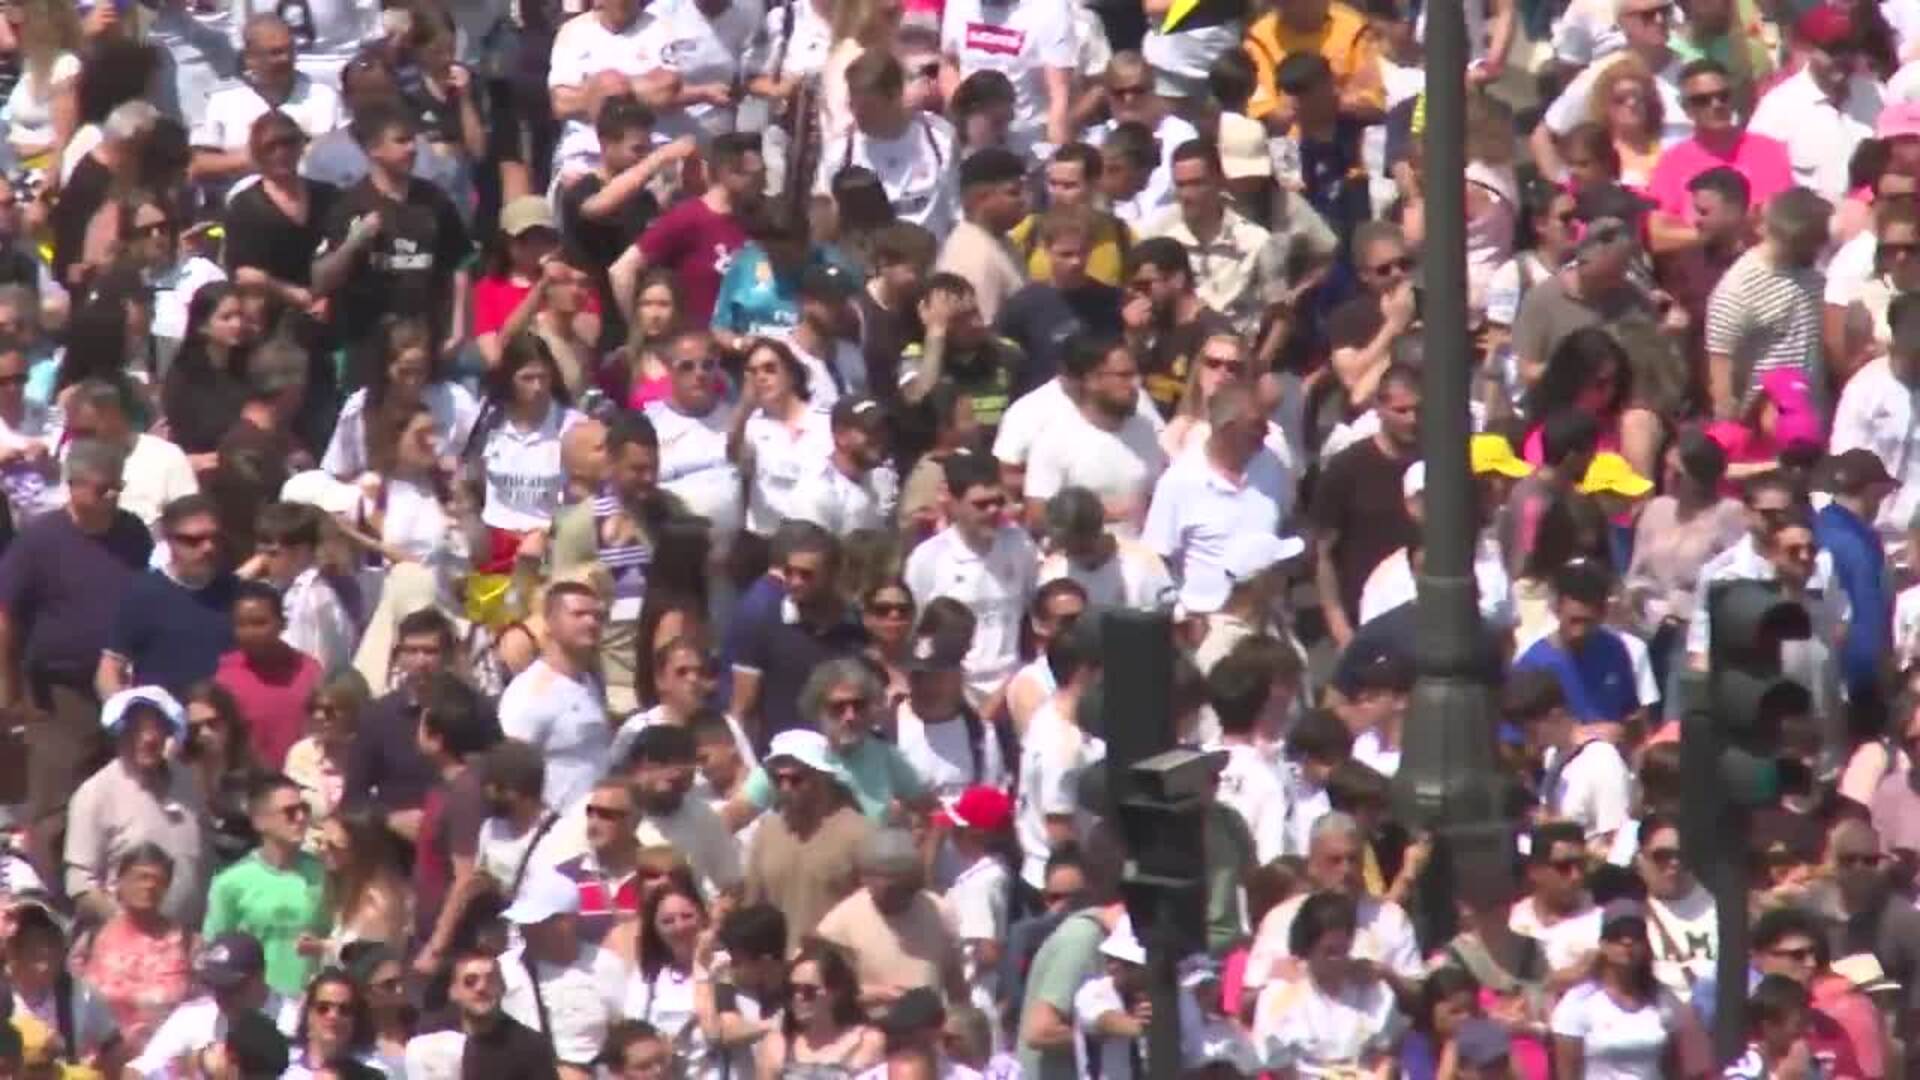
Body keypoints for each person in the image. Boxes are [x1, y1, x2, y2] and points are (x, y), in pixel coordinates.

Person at [311, 101, 473, 358]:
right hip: (365, 342)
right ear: (374, 149)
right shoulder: (349, 205)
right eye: (401, 141)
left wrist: (458, 330)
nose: (412, 148)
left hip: (425, 341)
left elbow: (458, 266)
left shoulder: (435, 200)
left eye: (412, 140)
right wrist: (353, 244)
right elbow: (320, 281)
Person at [65, 686, 211, 926]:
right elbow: (81, 883)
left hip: (188, 937)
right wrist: (130, 930)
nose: (148, 738)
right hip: (121, 941)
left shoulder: (188, 782)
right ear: (119, 731)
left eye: (157, 727)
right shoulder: (95, 794)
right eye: (137, 728)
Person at [904, 452, 1038, 703]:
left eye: (998, 502)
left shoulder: (1020, 545)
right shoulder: (928, 558)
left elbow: (1033, 615)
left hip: (1011, 686)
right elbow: (915, 633)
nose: (993, 511)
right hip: (955, 690)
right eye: (981, 504)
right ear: (953, 503)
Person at [1705, 187, 1831, 421]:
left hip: (1814, 416)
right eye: (1812, 240)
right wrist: (1728, 419)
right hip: (1763, 420)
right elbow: (1721, 364)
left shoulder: (1813, 275)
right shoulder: (1739, 288)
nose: (1819, 247)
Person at [742, 729, 874, 948]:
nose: (785, 788)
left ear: (824, 777)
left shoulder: (861, 834)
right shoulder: (766, 831)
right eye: (777, 779)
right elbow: (752, 907)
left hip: (838, 964)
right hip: (779, 965)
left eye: (796, 779)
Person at [1252, 891, 1407, 1075]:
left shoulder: (1374, 992)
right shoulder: (1279, 997)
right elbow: (1280, 1069)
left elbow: (1386, 1059)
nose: (1339, 960)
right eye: (1329, 952)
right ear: (1307, 948)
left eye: (1344, 950)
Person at [203, 773, 328, 997]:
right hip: (255, 1004)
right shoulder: (230, 882)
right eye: (290, 812)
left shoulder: (324, 875)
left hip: (311, 1004)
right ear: (259, 821)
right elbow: (215, 951)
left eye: (304, 809)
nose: (301, 818)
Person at [498, 868, 627, 1076]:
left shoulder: (605, 966)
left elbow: (625, 1034)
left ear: (568, 922)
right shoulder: (504, 970)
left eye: (536, 923)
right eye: (523, 924)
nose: (525, 931)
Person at [72, 844, 197, 1055]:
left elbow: (200, 1011)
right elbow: (72, 1003)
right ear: (120, 882)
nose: (149, 886)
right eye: (141, 877)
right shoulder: (92, 940)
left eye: (158, 880)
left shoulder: (187, 943)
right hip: (102, 1062)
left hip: (165, 1062)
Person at [498, 582, 610, 813]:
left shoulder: (589, 682)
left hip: (592, 822)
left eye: (597, 616)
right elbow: (509, 774)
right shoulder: (530, 693)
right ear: (549, 623)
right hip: (554, 826)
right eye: (579, 614)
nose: (591, 622)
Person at [1549, 901, 1687, 1080]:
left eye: (1635, 935)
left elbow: (1673, 1068)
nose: (1627, 942)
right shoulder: (1579, 1001)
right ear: (1603, 945)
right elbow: (1568, 1073)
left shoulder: (1664, 999)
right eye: (1616, 935)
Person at [215, 582, 325, 769]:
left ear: (282, 623)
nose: (250, 632)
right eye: (241, 624)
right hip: (246, 782)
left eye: (259, 623)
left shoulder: (310, 672)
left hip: (302, 779)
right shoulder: (224, 677)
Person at [403, 949, 557, 1079]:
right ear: (453, 991)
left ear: (503, 986)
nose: (481, 987)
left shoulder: (530, 1047)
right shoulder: (434, 1045)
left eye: (491, 979)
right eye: (470, 981)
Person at [754, 939, 887, 1078]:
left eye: (808, 991)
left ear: (836, 992)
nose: (798, 998)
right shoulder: (777, 1045)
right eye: (792, 989)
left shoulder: (868, 1043)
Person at [934, 148, 1029, 326]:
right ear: (981, 199)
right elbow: (982, 332)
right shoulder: (974, 256)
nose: (1024, 200)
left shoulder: (996, 240)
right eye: (1013, 193)